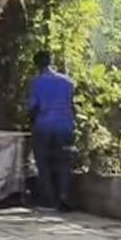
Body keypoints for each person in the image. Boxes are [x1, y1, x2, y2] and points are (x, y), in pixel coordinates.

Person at [28, 51, 76, 210]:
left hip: (44, 127)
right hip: (65, 127)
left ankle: (48, 200)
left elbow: (33, 107)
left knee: (44, 163)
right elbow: (72, 105)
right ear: (51, 61)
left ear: (37, 65)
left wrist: (31, 121)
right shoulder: (67, 82)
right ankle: (64, 195)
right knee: (63, 163)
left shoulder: (37, 83)